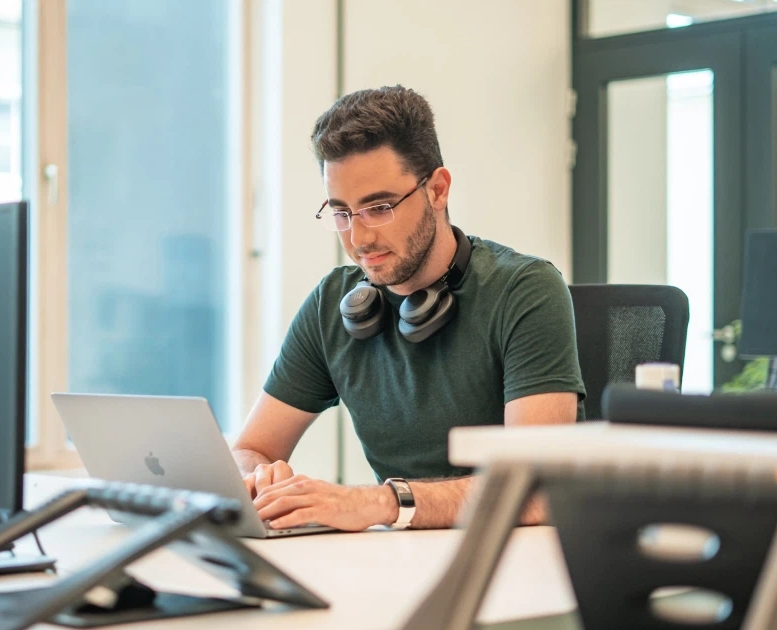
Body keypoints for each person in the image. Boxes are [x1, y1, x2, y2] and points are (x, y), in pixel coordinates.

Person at [231, 85, 584, 531]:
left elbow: (538, 488)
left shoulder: (526, 290)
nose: (358, 239)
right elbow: (251, 448)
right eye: (341, 212)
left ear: (437, 190)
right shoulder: (332, 304)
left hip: (511, 560)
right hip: (401, 557)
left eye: (379, 207)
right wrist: (258, 477)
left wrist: (381, 502)